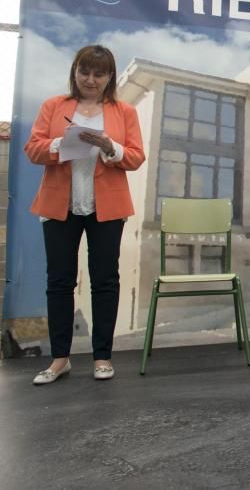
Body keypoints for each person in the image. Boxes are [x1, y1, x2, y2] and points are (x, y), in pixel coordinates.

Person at [24, 44, 145, 384]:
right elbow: (32, 148)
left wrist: (110, 146)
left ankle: (102, 357)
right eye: (84, 72)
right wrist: (59, 143)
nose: (90, 79)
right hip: (59, 203)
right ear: (75, 72)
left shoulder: (123, 112)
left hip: (107, 205)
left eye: (99, 73)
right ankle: (60, 359)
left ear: (109, 77)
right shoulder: (53, 106)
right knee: (59, 281)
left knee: (105, 280)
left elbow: (135, 157)